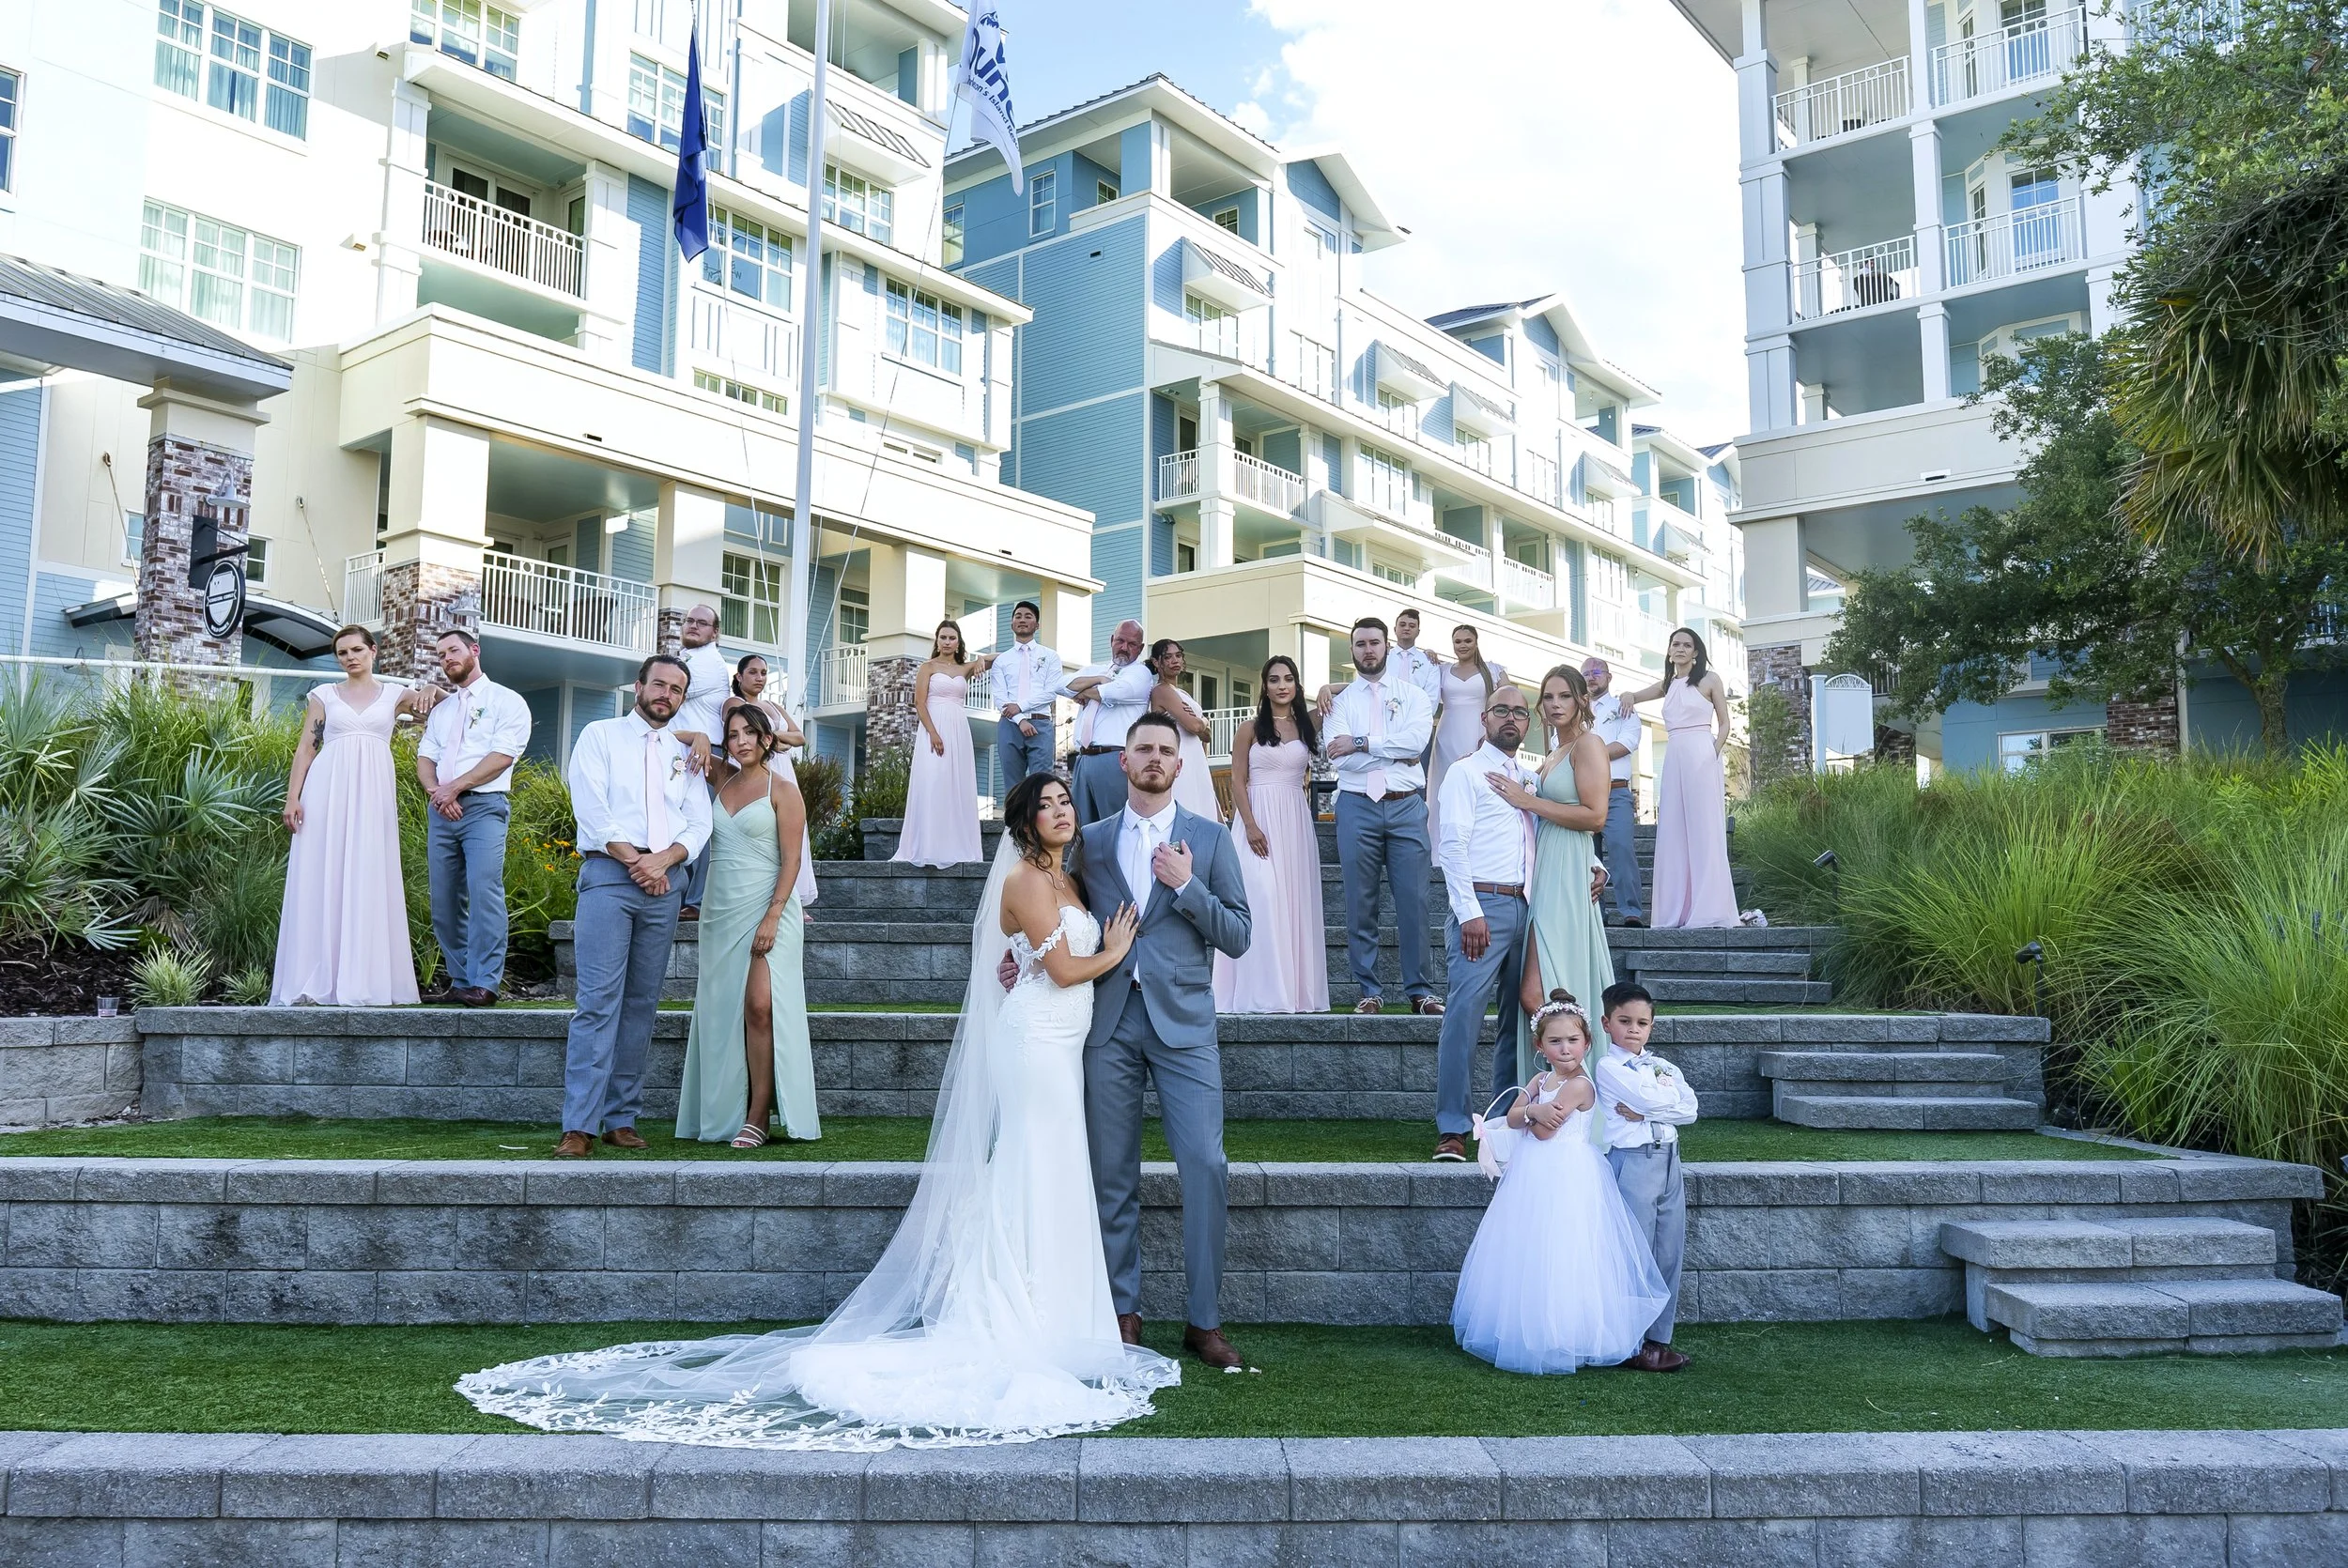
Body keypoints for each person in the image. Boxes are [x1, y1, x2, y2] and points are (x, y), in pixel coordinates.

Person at [458, 773, 1180, 1447]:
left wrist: (1031, 956)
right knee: (1034, 1163)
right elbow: (1064, 969)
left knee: (1051, 1168)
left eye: (1065, 801)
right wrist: (1115, 950)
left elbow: (1029, 956)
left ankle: (1061, 1311)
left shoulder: (1067, 878)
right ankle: (1022, 1310)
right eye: (1046, 804)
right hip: (1036, 1045)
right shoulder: (1024, 878)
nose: (1060, 811)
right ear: (1023, 822)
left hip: (1062, 1042)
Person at [1076, 710, 1253, 1368]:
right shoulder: (1090, 841)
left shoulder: (1210, 838)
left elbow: (1238, 934)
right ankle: (1122, 1310)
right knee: (1111, 1171)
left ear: (1181, 765)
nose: (1154, 758)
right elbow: (1062, 916)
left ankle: (1203, 1321)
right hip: (1109, 1021)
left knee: (1205, 1165)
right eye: (1143, 748)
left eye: (1165, 750)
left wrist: (1188, 887)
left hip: (1185, 1026)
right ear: (1123, 762)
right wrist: (1023, 959)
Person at [1450, 993, 1673, 1375]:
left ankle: (1567, 1333)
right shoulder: (1541, 1079)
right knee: (1530, 1248)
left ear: (1587, 1042)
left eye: (1573, 1040)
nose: (1565, 1048)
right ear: (1540, 1046)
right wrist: (1532, 1110)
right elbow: (1514, 1115)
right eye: (1555, 1041)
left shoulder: (1580, 1085)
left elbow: (1543, 1132)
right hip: (1532, 1176)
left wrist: (1530, 1113)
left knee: (1566, 1250)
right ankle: (1529, 1328)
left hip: (1568, 1174)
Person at [554, 653, 712, 1159]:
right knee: (597, 1002)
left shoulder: (685, 753)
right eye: (659, 684)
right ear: (639, 687)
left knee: (642, 1004)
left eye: (677, 689)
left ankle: (620, 1119)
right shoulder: (600, 736)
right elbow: (591, 807)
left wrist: (664, 860)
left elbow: (699, 821)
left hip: (665, 884)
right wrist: (636, 861)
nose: (667, 695)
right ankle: (579, 1126)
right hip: (609, 876)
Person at [272, 624, 440, 1007]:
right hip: (326, 792)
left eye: (356, 650)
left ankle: (365, 978)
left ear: (373, 651)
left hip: (373, 795)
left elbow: (446, 707)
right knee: (323, 873)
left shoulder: (396, 695)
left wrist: (433, 687)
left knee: (368, 873)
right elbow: (306, 749)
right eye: (342, 653)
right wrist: (292, 798)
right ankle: (316, 977)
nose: (350, 658)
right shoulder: (324, 696)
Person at [675, 704, 817, 1149]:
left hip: (770, 909)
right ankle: (726, 1111)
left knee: (760, 1006)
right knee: (723, 1011)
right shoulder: (721, 777)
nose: (741, 742)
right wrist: (700, 737)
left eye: (749, 733)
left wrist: (773, 915)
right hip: (720, 911)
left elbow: (792, 861)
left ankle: (759, 1115)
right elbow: (663, 736)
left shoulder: (784, 790)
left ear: (766, 739)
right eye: (733, 735)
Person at [1488, 666, 1617, 1086]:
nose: (1555, 704)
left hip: (1564, 878)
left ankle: (1576, 1091)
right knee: (1540, 993)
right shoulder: (1553, 755)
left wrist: (1527, 801)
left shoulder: (1589, 744)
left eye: (1564, 696)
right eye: (1548, 697)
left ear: (1582, 700)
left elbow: (1595, 817)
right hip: (1545, 872)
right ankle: (1558, 1093)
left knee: (1535, 993)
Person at [1430, 684, 1537, 1161]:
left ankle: (1504, 1119)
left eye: (1520, 712)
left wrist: (1597, 867)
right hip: (1483, 906)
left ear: (1528, 723)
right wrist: (1469, 911)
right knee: (1464, 1017)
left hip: (1529, 906)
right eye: (1502, 710)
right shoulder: (1465, 773)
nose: (1511, 718)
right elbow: (1451, 845)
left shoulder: (1530, 778)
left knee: (1520, 1018)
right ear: (1484, 718)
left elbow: (1546, 831)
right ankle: (1453, 1126)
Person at [1324, 618, 1441, 1016]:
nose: (1368, 650)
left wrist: (1361, 742)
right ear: (1352, 651)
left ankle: (1421, 992)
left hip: (1406, 804)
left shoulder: (1414, 696)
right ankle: (1369, 991)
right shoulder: (1340, 702)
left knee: (1415, 901)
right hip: (1357, 805)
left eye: (1374, 642)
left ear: (1387, 646)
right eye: (1360, 644)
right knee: (1360, 902)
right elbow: (1338, 758)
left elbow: (1416, 744)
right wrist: (1392, 752)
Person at [416, 628, 533, 1007]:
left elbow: (502, 756)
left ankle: (485, 982)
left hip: (484, 807)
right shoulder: (443, 711)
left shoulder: (507, 701)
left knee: (484, 892)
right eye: (441, 655)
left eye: (453, 650)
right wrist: (438, 792)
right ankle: (461, 980)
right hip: (442, 810)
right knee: (444, 900)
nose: (447, 658)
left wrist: (454, 788)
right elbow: (426, 758)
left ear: (474, 650)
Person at [1593, 979, 1697, 1373]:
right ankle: (1629, 1341)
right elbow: (1651, 1098)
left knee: (1668, 1251)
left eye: (1642, 1023)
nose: (1634, 1030)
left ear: (1652, 1025)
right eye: (1625, 1021)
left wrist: (1647, 1111)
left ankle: (1657, 1340)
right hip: (1634, 1160)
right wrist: (1657, 1104)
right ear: (1607, 1023)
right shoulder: (1609, 1067)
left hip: (1669, 1159)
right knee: (1634, 1252)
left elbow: (1691, 1109)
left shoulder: (1663, 1066)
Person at [1213, 654, 1326, 1014]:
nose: (1282, 685)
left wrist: (1327, 686)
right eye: (1274, 679)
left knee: (1293, 901)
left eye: (1288, 679)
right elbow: (1237, 780)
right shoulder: (1248, 728)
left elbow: (1350, 691)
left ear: (1297, 685)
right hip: (1257, 819)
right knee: (1260, 897)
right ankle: (1260, 991)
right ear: (1264, 686)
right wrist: (1249, 825)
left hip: (1294, 820)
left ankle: (1295, 992)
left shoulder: (1308, 724)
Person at [1618, 628, 1738, 929]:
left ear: (1696, 652)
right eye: (1676, 644)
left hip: (1701, 753)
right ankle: (1676, 910)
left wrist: (1712, 753)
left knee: (1704, 829)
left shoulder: (1710, 680)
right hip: (1674, 756)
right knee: (1673, 830)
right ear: (1669, 650)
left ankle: (1709, 908)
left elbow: (1725, 723)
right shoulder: (1668, 683)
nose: (1681, 649)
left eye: (1687, 645)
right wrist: (1628, 695)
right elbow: (1636, 696)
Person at [891, 619, 997, 868]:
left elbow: (1001, 657)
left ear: (958, 642)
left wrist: (982, 659)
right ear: (937, 641)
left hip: (959, 729)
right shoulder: (927, 667)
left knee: (956, 783)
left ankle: (956, 844)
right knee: (934, 781)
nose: (947, 642)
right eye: (943, 638)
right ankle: (930, 845)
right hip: (934, 729)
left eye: (952, 638)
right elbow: (919, 703)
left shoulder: (965, 668)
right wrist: (933, 733)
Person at [724, 653, 816, 908]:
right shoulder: (734, 702)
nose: (760, 678)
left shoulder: (773, 706)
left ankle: (793, 898)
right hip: (756, 767)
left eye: (764, 673)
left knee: (790, 828)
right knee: (765, 828)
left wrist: (772, 736)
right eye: (753, 672)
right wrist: (778, 740)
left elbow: (800, 738)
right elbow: (746, 736)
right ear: (739, 676)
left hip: (783, 770)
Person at [668, 604, 731, 921]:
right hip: (680, 753)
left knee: (702, 825)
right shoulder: (686, 658)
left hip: (704, 755)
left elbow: (672, 692)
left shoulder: (710, 663)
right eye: (689, 620)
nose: (693, 626)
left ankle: (698, 900)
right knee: (678, 824)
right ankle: (681, 895)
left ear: (715, 632)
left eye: (702, 623)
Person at [1060, 619, 1151, 823]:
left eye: (1132, 644)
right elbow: (1061, 685)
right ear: (1112, 640)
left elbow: (1115, 691)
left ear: (1140, 648)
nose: (1124, 648)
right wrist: (1099, 679)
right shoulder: (1097, 670)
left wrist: (1082, 691)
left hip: (1114, 758)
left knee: (1114, 826)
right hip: (1083, 759)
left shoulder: (1140, 673)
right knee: (1081, 829)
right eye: (1120, 641)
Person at [1582, 656, 1646, 928]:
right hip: (1582, 792)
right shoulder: (1574, 710)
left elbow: (1627, 742)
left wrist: (1588, 754)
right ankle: (1596, 913)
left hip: (1615, 791)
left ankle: (1631, 911)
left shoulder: (1622, 707)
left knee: (1621, 848)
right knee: (1587, 854)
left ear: (1609, 677)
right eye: (1586, 673)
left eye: (1597, 672)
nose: (1591, 677)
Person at [1428, 623, 1506, 845]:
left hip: (1480, 735)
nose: (1463, 645)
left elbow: (1508, 701)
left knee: (1479, 786)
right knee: (1446, 789)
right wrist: (1426, 656)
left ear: (1476, 642)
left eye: (1468, 641)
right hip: (1447, 736)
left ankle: (1479, 844)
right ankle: (1440, 847)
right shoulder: (1441, 670)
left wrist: (1492, 734)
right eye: (1458, 641)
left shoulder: (1493, 670)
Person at [989, 599, 1059, 802]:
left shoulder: (1050, 656)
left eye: (1028, 616)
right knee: (1013, 785)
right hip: (1010, 724)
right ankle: (1014, 822)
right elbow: (1000, 697)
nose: (1022, 620)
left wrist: (1020, 706)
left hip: (1040, 723)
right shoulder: (1002, 660)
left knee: (1042, 783)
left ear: (1037, 625)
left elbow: (1052, 692)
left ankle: (1041, 820)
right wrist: (1020, 719)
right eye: (1018, 616)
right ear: (1011, 624)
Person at [1146, 638, 1221, 822]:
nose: (1175, 661)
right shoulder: (1161, 691)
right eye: (1168, 657)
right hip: (1179, 757)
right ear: (1156, 662)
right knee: (1188, 808)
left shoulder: (1183, 694)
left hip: (1196, 758)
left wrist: (1199, 724)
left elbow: (1207, 736)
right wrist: (1203, 720)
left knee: (1205, 810)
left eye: (1178, 656)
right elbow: (1195, 726)